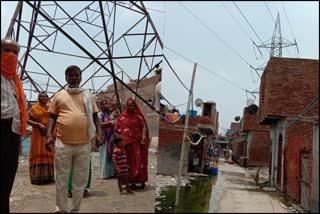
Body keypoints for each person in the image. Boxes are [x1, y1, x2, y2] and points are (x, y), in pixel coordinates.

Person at [45, 65, 102, 213]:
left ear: (81, 77)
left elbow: (96, 117)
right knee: (61, 179)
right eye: (70, 75)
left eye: (76, 75)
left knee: (80, 180)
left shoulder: (88, 96)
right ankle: (61, 209)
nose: (73, 78)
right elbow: (52, 117)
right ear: (66, 78)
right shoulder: (59, 95)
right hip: (63, 143)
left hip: (83, 144)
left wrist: (99, 135)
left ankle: (76, 209)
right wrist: (49, 135)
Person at [1, 38, 27, 213]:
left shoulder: (15, 80)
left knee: (8, 175)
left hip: (12, 131)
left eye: (15, 52)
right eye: (6, 50)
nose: (11, 55)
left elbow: (18, 108)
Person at [114, 98, 150, 190]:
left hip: (137, 143)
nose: (130, 107)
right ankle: (131, 182)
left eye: (132, 105)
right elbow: (116, 129)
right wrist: (120, 141)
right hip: (126, 145)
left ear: (135, 106)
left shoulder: (138, 117)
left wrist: (143, 138)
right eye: (128, 105)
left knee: (139, 162)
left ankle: (141, 181)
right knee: (128, 163)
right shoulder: (122, 117)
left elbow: (144, 127)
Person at [27, 91, 55, 185]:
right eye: (41, 96)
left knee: (49, 153)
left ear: (47, 98)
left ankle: (48, 176)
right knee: (38, 151)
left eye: (45, 96)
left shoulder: (51, 108)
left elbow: (55, 119)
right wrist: (38, 124)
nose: (43, 98)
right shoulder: (34, 108)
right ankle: (37, 177)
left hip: (49, 134)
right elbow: (27, 120)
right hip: (38, 134)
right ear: (38, 98)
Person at [98, 99, 115, 179]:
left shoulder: (110, 114)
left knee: (111, 154)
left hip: (111, 137)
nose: (105, 105)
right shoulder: (100, 114)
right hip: (104, 137)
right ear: (101, 106)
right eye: (103, 104)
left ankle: (112, 172)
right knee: (104, 155)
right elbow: (100, 124)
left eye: (106, 103)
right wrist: (109, 123)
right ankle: (104, 174)